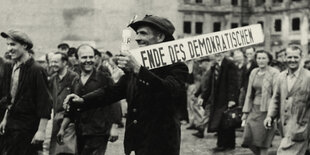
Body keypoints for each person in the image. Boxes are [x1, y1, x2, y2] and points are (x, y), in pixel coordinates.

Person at [63, 15, 189, 155]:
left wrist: (139, 70)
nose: (137, 38)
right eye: (137, 33)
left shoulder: (177, 66)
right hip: (136, 143)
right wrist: (83, 100)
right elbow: (113, 91)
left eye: (143, 33)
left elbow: (170, 91)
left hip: (160, 145)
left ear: (159, 37)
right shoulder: (138, 65)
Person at [0, 29, 52, 155]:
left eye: (13, 44)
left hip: (27, 127)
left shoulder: (36, 69)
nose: (9, 48)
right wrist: (5, 119)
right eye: (7, 44)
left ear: (24, 46)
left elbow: (45, 102)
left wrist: (41, 131)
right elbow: (11, 98)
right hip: (12, 125)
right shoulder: (13, 67)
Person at [57, 44, 115, 155]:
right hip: (81, 131)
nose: (88, 60)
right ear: (77, 59)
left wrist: (114, 127)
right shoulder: (76, 81)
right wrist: (62, 128)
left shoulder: (104, 78)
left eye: (91, 57)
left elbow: (114, 103)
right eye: (84, 57)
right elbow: (71, 108)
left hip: (99, 131)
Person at [264, 45, 310, 155]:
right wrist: (270, 116)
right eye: (289, 57)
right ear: (285, 57)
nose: (292, 60)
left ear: (301, 57)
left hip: (301, 127)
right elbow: (276, 98)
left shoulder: (308, 77)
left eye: (296, 57)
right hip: (284, 128)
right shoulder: (281, 77)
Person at [241, 50, 279, 155]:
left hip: (266, 110)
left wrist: (272, 114)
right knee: (248, 138)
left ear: (269, 60)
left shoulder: (274, 73)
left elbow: (276, 93)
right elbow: (249, 93)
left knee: (263, 141)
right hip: (254, 108)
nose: (261, 61)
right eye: (259, 58)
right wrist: (245, 111)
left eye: (263, 58)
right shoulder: (254, 72)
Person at [200, 52, 239, 151]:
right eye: (216, 53)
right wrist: (203, 97)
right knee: (220, 122)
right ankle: (222, 144)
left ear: (225, 53)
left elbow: (233, 83)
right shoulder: (214, 66)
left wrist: (232, 99)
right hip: (217, 99)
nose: (218, 55)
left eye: (220, 53)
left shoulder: (230, 65)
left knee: (227, 121)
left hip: (226, 99)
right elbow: (210, 84)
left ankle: (227, 144)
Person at [49, 52, 78, 155]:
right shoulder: (53, 78)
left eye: (55, 62)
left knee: (67, 150)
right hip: (56, 119)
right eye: (51, 62)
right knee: (54, 149)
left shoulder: (74, 77)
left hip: (70, 121)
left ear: (65, 62)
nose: (52, 64)